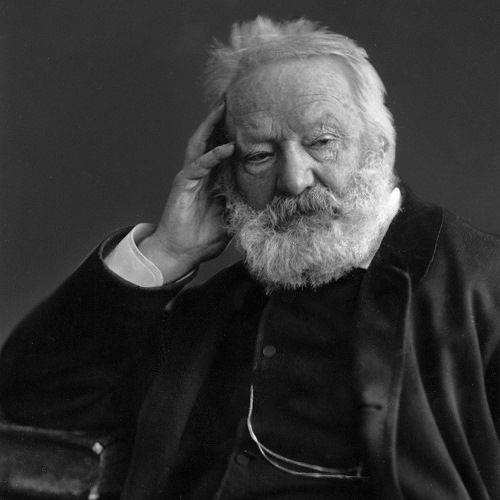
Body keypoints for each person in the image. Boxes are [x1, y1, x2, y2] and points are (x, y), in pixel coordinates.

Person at [1, 16, 500, 500]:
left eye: (322, 142)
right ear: (227, 176)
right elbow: (33, 397)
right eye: (259, 155)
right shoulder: (213, 313)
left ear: (380, 145)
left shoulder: (484, 286)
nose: (294, 180)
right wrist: (169, 252)